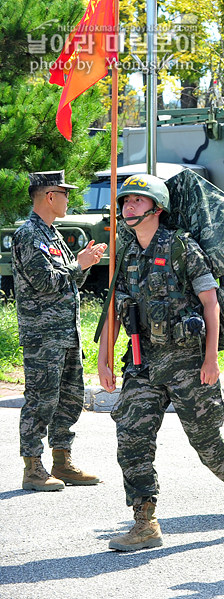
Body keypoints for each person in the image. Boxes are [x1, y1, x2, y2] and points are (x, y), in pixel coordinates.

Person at [97, 173, 224, 552]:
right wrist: (103, 357)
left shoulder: (181, 248)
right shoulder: (126, 253)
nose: (129, 207)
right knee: (131, 437)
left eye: (137, 202)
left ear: (157, 209)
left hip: (189, 362)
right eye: (125, 202)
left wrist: (211, 360)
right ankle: (145, 522)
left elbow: (211, 305)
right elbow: (115, 306)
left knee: (208, 444)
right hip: (143, 361)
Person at [13, 170, 106, 491]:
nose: (69, 198)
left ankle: (62, 461)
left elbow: (70, 281)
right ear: (50, 196)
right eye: (64, 193)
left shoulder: (53, 235)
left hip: (67, 333)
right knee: (41, 400)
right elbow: (44, 282)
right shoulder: (28, 235)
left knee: (69, 398)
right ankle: (33, 467)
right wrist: (77, 265)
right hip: (43, 337)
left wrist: (84, 265)